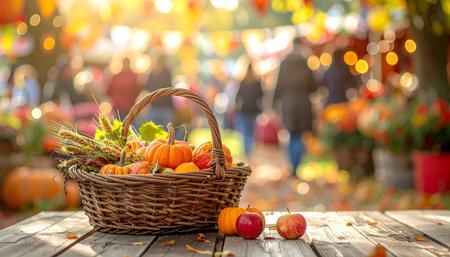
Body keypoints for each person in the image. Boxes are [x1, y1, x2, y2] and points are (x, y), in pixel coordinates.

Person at [273, 38, 317, 176]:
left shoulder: (284, 62)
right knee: (301, 134)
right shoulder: (306, 62)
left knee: (291, 134)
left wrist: (274, 102)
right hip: (304, 102)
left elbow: (278, 85)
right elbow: (314, 86)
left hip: (288, 102)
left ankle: (293, 165)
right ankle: (297, 164)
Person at [235, 63, 264, 155]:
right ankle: (250, 148)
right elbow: (261, 96)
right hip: (254, 109)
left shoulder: (243, 81)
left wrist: (236, 107)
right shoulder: (257, 82)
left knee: (245, 130)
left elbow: (238, 96)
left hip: (244, 108)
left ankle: (247, 148)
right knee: (251, 130)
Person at [146, 55, 174, 127]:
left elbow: (169, 87)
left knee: (166, 129)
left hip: (165, 106)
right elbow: (147, 87)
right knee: (153, 130)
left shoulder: (167, 72)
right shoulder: (152, 73)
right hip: (154, 106)